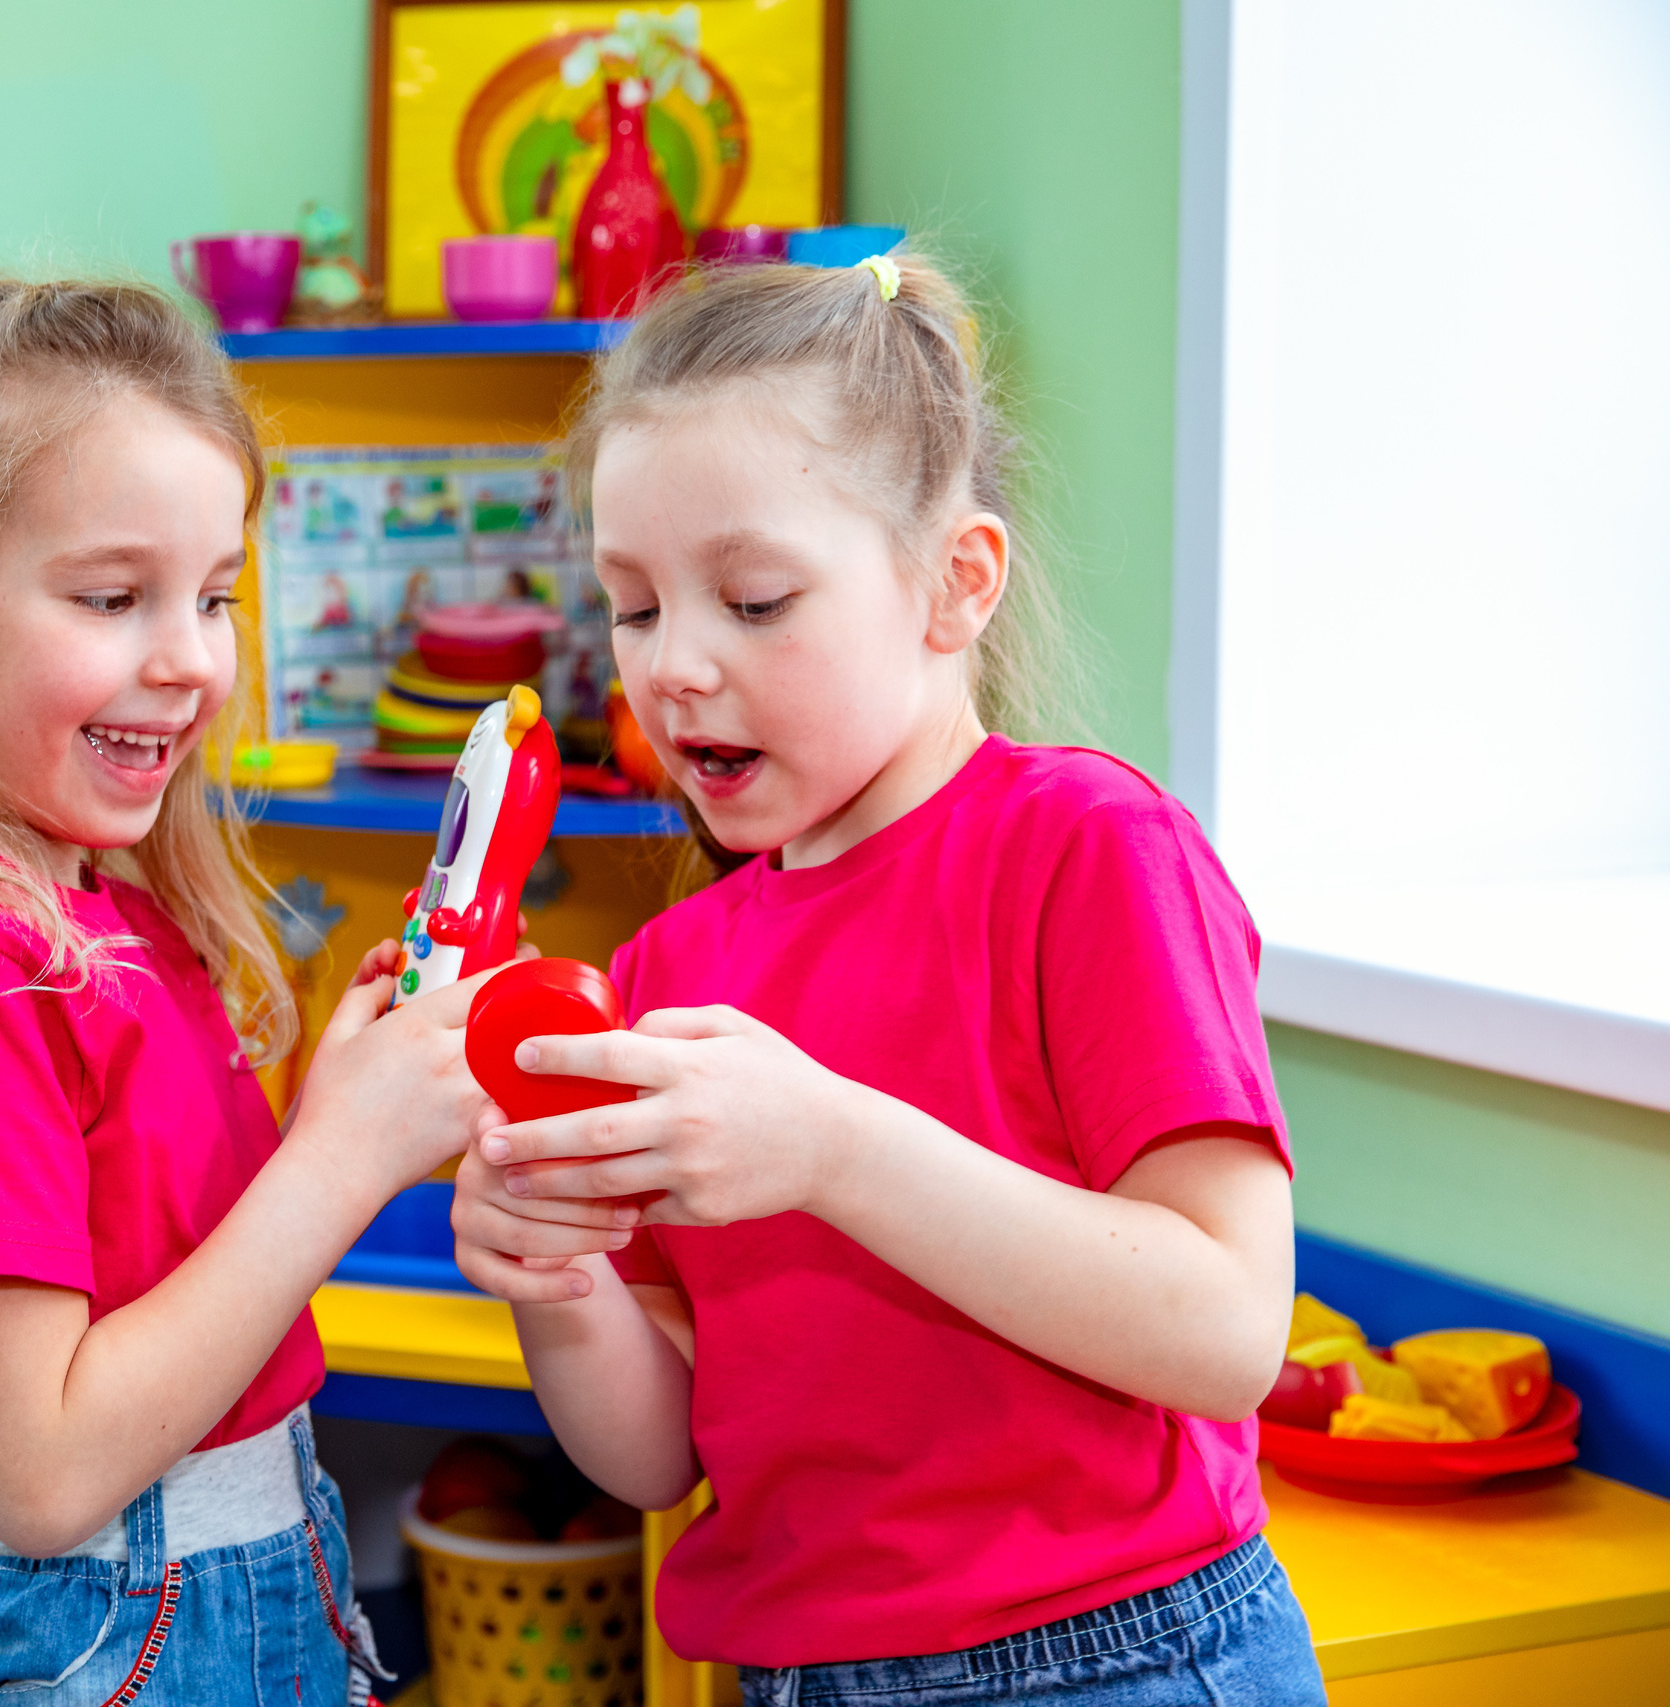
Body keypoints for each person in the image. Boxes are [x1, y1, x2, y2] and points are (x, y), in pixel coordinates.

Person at [451, 252, 1329, 1705]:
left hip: (1115, 1658)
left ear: (952, 585)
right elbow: (659, 1452)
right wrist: (562, 1284)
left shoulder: (1088, 851)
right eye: (637, 605)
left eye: (752, 597)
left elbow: (1227, 1330)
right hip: (800, 1674)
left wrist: (835, 1147)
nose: (674, 668)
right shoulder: (672, 972)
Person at [0, 275, 484, 1707]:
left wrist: (337, 1105)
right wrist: (343, 1157)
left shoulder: (97, 913)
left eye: (216, 596)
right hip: (101, 1621)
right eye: (114, 597)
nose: (186, 657)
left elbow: (161, 1270)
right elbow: (44, 1474)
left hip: (229, 1586)